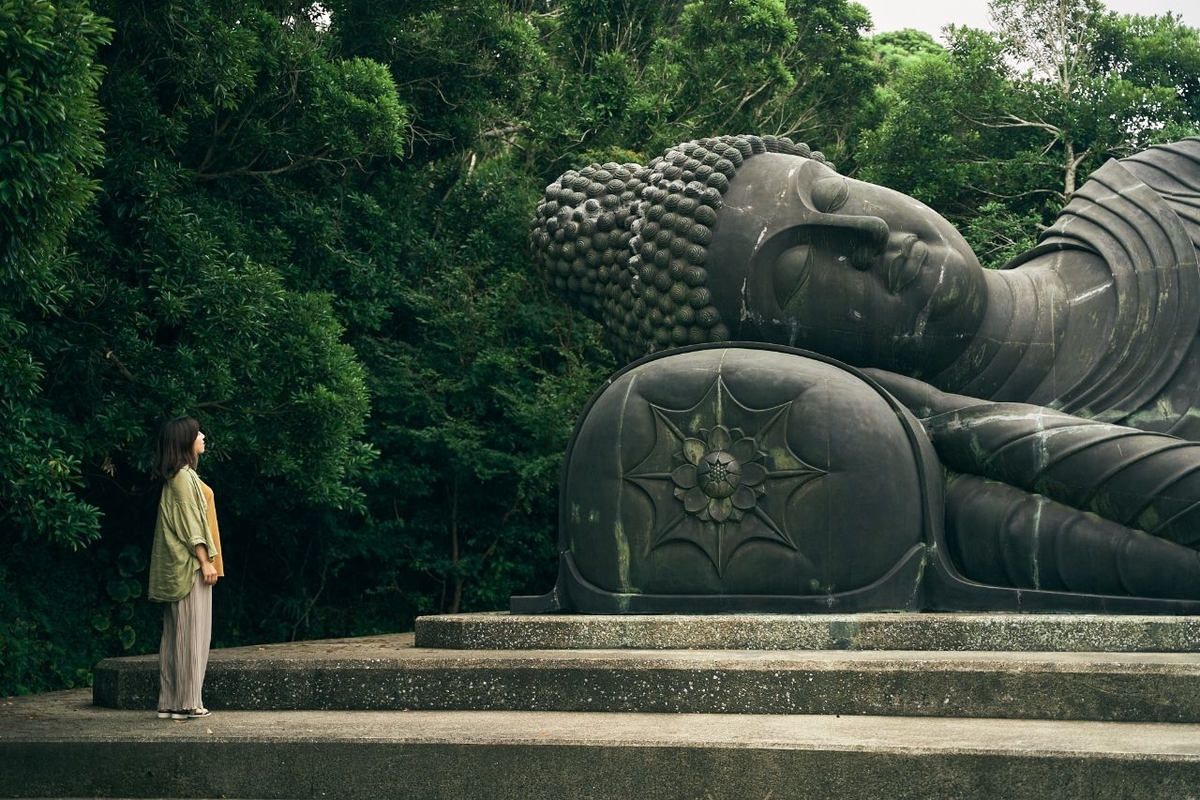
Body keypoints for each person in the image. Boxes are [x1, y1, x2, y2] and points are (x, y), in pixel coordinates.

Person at [529, 134, 1200, 606]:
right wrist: (934, 415)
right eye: (795, 279)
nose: (867, 239)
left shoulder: (1160, 192)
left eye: (830, 192)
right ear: (794, 365)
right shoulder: (950, 498)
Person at [149, 416, 220, 720]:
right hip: (190, 568)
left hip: (178, 568)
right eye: (196, 433)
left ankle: (170, 702)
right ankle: (188, 703)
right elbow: (193, 525)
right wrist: (206, 562)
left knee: (175, 636)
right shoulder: (183, 477)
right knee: (192, 635)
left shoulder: (177, 477)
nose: (202, 436)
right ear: (184, 442)